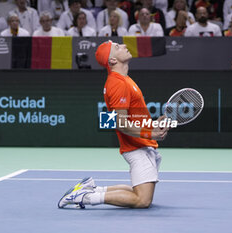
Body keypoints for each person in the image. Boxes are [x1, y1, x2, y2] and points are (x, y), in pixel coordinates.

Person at [57, 40, 169, 209]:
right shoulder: (117, 83)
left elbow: (131, 118)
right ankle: (85, 197)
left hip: (142, 145)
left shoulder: (125, 80)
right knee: (142, 200)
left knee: (135, 192)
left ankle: (92, 188)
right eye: (118, 47)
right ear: (112, 61)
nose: (124, 46)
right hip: (136, 148)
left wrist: (152, 125)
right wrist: (149, 133)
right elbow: (120, 123)